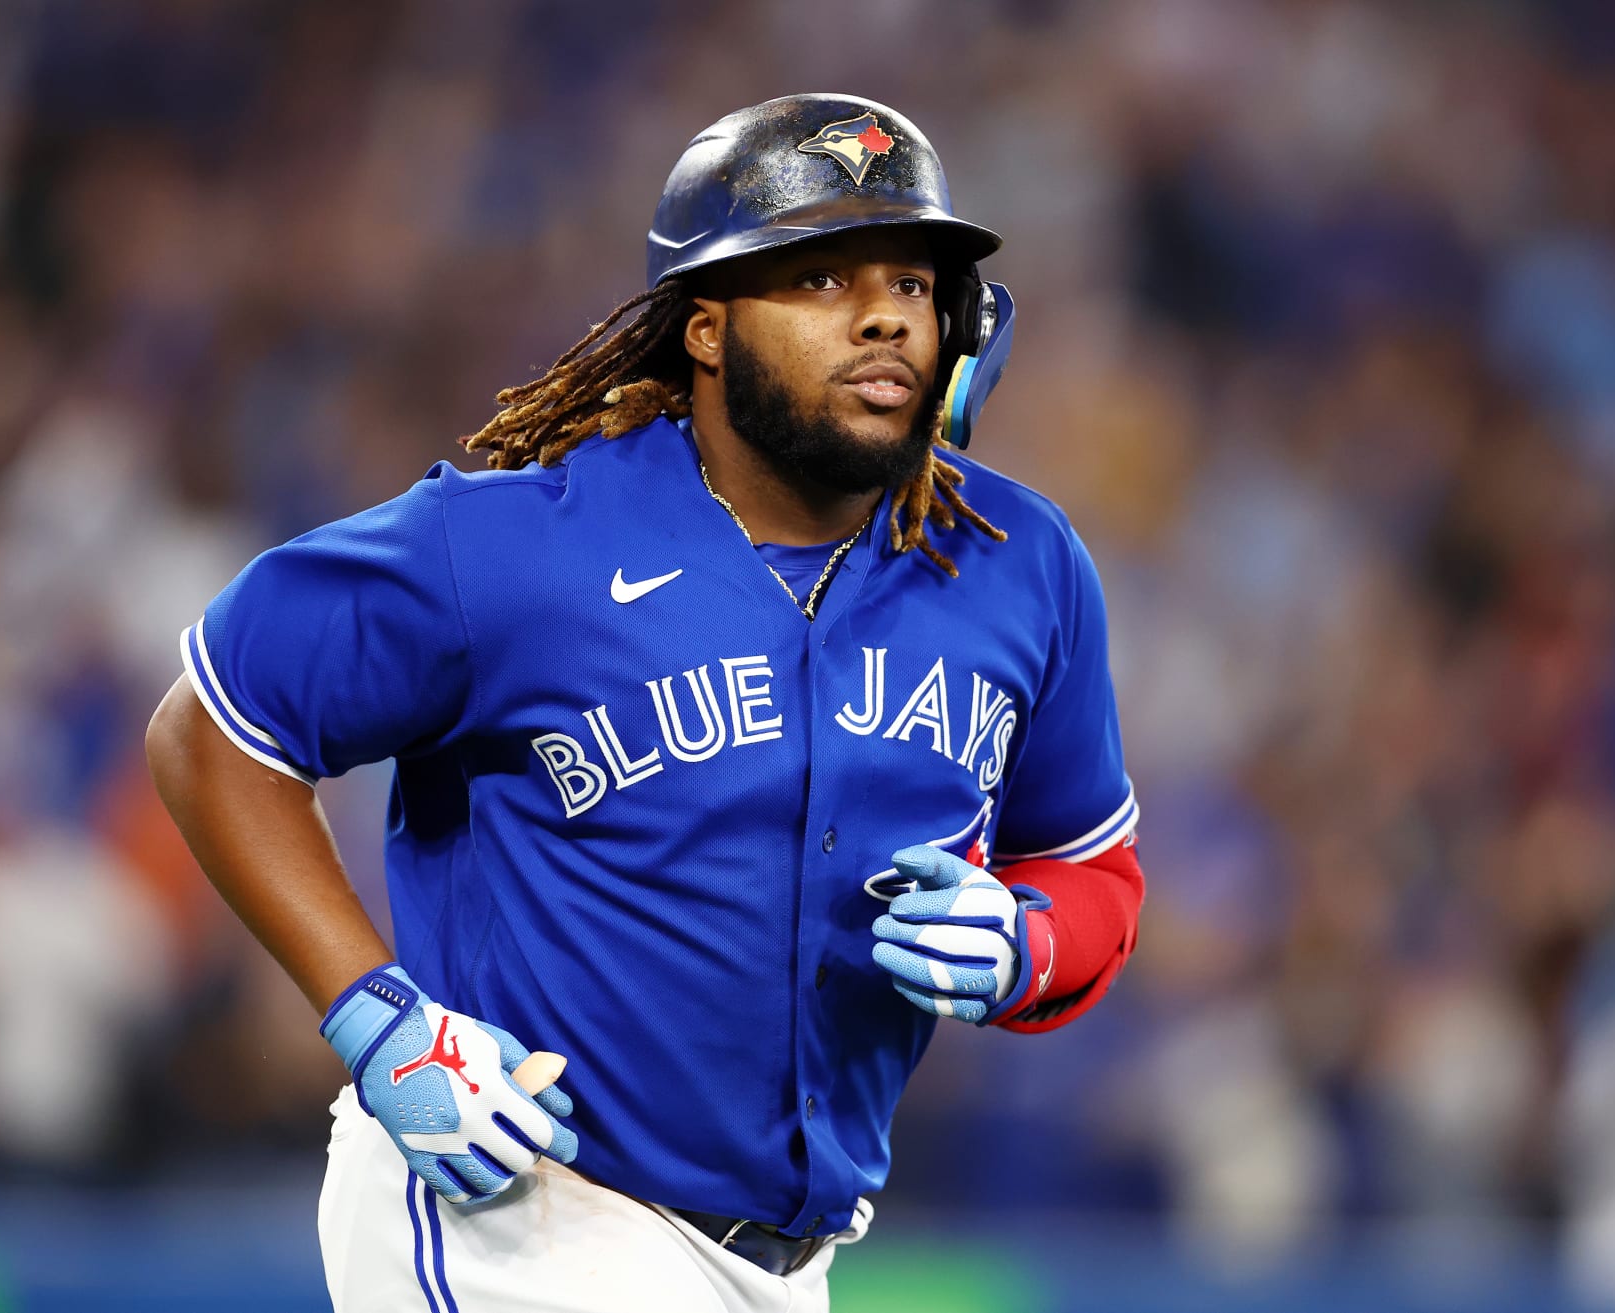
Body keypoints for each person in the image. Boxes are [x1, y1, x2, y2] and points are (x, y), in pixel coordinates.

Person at [146, 93, 1146, 1313]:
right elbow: (213, 729)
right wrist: (379, 1018)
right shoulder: (513, 543)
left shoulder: (1018, 563)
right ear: (707, 330)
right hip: (525, 1211)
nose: (886, 312)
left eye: (914, 280)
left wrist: (1026, 937)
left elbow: (1090, 863)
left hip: (792, 1261)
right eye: (821, 278)